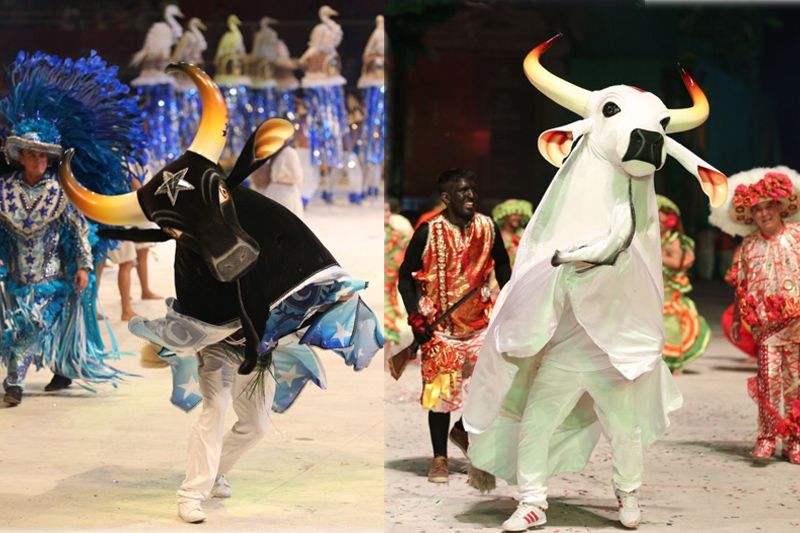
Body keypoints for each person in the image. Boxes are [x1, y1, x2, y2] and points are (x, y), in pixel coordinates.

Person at [0, 50, 145, 406]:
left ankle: (27, 379)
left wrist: (82, 266)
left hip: (53, 274)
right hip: (18, 276)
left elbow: (78, 230)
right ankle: (26, 376)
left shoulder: (60, 192)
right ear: (21, 157)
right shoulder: (5, 192)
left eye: (42, 155)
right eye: (31, 154)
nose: (37, 160)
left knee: (40, 323)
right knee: (19, 325)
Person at [398, 168, 511, 483]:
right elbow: (404, 275)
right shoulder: (428, 231)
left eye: (472, 190)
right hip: (441, 329)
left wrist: (509, 299)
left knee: (496, 387)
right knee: (440, 396)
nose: (471, 196)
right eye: (462, 191)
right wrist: (414, 316)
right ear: (446, 198)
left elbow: (502, 263)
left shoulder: (489, 228)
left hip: (480, 326)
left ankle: (462, 430)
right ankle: (439, 459)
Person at [709, 167, 800, 463]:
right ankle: (767, 436)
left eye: (768, 206)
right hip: (767, 326)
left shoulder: (798, 236)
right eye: (756, 209)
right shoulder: (748, 246)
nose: (763, 214)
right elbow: (741, 284)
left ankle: (795, 440)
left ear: (780, 206)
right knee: (769, 380)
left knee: (796, 382)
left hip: (798, 321)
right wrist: (737, 317)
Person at [657, 195, 710, 375]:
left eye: (661, 222)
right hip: (655, 287)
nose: (658, 226)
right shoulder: (653, 237)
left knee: (670, 323)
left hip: (670, 289)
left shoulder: (674, 240)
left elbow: (677, 261)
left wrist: (655, 254)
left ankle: (675, 362)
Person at [384, 197, 413, 363]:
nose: (386, 214)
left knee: (387, 322)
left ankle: (386, 357)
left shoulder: (398, 235)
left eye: (388, 210)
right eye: (383, 211)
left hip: (388, 288)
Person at [492, 199, 533, 268]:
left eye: (519, 215)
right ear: (505, 216)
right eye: (514, 215)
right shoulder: (496, 236)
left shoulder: (524, 234)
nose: (518, 217)